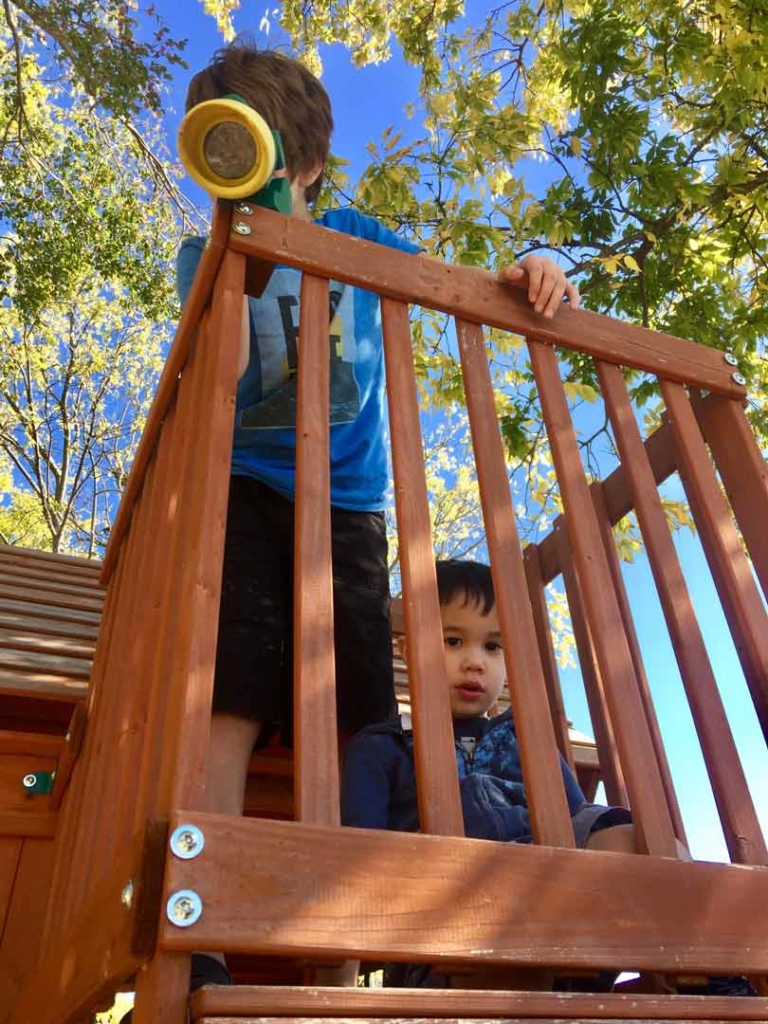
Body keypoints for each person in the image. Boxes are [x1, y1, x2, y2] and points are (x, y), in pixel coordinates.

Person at [137, 41, 580, 1010]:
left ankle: (341, 943)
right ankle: (206, 912)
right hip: (246, 489)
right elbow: (209, 375)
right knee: (232, 689)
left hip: (350, 503)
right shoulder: (203, 249)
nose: (254, 182)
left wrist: (539, 267)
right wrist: (240, 241)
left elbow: (471, 285)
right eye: (228, 156)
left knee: (356, 711)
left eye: (271, 162)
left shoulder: (354, 229)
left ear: (307, 164)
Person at [341, 558, 637, 988]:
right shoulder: (381, 746)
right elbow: (357, 865)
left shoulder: (529, 742)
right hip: (448, 940)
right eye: (454, 640)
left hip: (556, 919)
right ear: (409, 651)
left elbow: (580, 823)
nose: (475, 662)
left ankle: (707, 970)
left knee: (627, 835)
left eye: (492, 647)